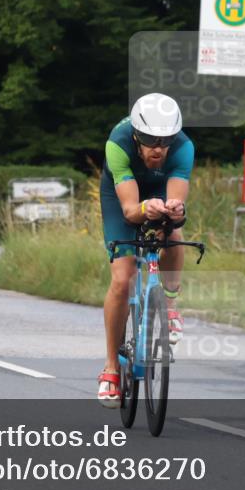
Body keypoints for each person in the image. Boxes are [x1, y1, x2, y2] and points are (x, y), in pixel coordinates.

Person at [97, 93, 194, 407]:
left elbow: (177, 202)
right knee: (122, 278)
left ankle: (171, 306)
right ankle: (111, 368)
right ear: (137, 135)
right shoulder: (118, 143)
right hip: (123, 196)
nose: (158, 149)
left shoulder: (183, 148)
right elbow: (129, 211)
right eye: (151, 141)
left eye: (165, 141)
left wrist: (174, 210)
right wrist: (143, 207)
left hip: (158, 190)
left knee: (174, 232)